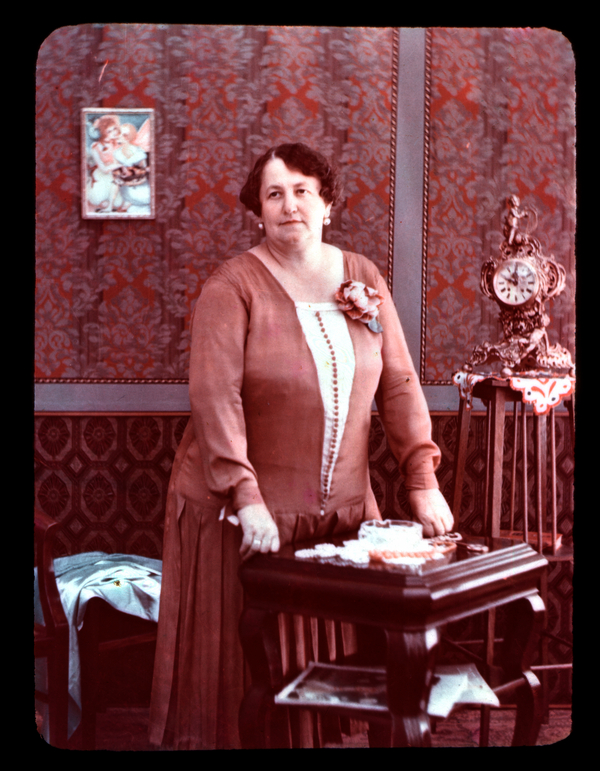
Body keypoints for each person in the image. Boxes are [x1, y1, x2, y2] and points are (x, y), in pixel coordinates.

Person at [149, 142, 454, 750]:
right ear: (258, 212)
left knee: (321, 692)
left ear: (327, 204)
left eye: (302, 191)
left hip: (338, 515)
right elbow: (214, 398)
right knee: (245, 695)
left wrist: (422, 480)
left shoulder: (363, 277)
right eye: (274, 194)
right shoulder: (231, 286)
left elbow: (398, 382)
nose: (290, 205)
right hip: (246, 515)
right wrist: (246, 497)